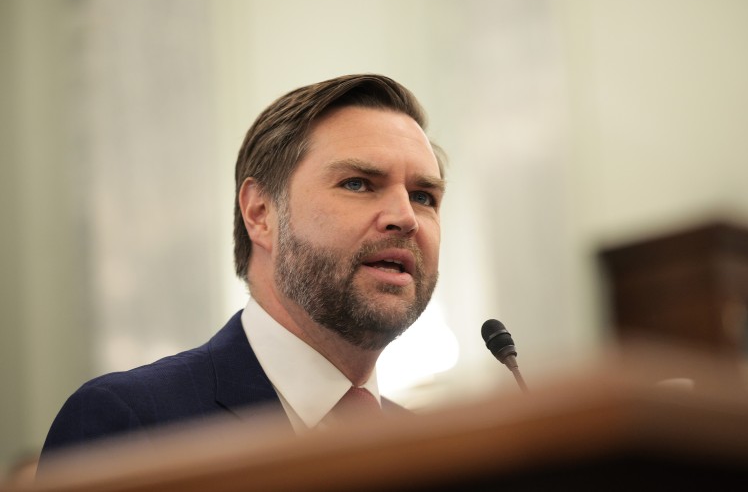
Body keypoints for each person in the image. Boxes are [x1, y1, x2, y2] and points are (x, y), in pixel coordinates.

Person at [39, 74, 446, 462]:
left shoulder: (433, 450)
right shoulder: (134, 424)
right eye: (358, 183)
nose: (405, 217)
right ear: (260, 213)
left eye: (424, 196)